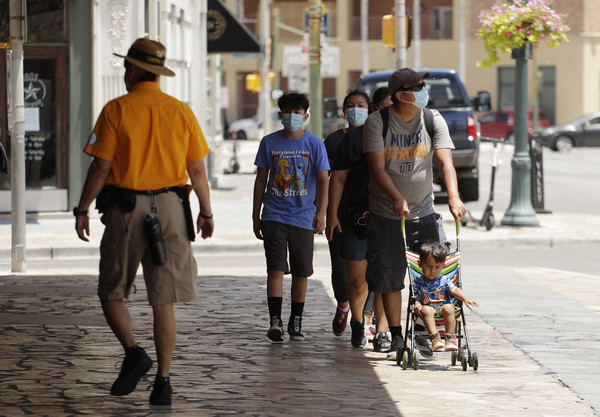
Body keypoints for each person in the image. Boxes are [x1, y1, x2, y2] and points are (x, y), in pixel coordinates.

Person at [74, 38, 214, 406]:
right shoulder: (180, 111)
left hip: (127, 208)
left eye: (126, 67)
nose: (124, 72)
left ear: (134, 69)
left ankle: (134, 352)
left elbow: (101, 166)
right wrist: (206, 211)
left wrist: (82, 207)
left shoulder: (116, 109)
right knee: (163, 300)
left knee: (112, 290)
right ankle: (164, 383)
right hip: (171, 206)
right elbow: (197, 168)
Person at [362, 68, 467, 360]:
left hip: (423, 210)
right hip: (386, 213)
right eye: (416, 86)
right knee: (390, 277)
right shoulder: (377, 123)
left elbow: (446, 164)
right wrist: (396, 197)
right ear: (399, 95)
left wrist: (454, 197)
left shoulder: (433, 119)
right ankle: (396, 335)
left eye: (423, 85)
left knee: (434, 271)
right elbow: (377, 168)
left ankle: (425, 331)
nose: (423, 90)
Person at [253, 92, 330, 343]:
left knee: (301, 272)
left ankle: (295, 320)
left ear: (305, 116)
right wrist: (256, 215)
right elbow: (261, 179)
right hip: (274, 214)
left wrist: (321, 212)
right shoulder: (269, 143)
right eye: (287, 112)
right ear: (279, 115)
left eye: (297, 113)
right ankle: (275, 321)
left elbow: (323, 179)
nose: (292, 117)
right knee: (275, 269)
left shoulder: (315, 144)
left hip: (304, 217)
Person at [326, 88, 393, 351]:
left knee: (385, 278)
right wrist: (331, 214)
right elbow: (337, 179)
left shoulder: (400, 137)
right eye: (385, 108)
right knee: (356, 278)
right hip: (355, 216)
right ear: (375, 109)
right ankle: (356, 321)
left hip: (388, 216)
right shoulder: (352, 139)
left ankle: (383, 331)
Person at [324, 90, 370, 341]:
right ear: (344, 111)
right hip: (339, 212)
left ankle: (363, 318)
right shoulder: (332, 141)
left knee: (368, 272)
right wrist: (325, 213)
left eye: (361, 105)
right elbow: (325, 180)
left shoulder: (375, 137)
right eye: (351, 105)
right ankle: (343, 305)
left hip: (369, 212)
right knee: (340, 269)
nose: (356, 109)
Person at [414, 242, 479, 351]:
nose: (432, 271)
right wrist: (417, 302)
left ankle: (450, 339)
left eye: (437, 267)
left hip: (443, 308)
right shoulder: (418, 281)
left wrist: (465, 299)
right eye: (428, 266)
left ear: (443, 266)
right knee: (426, 310)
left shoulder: (444, 280)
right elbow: (415, 295)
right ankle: (435, 339)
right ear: (420, 264)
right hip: (426, 310)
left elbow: (454, 289)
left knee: (449, 308)